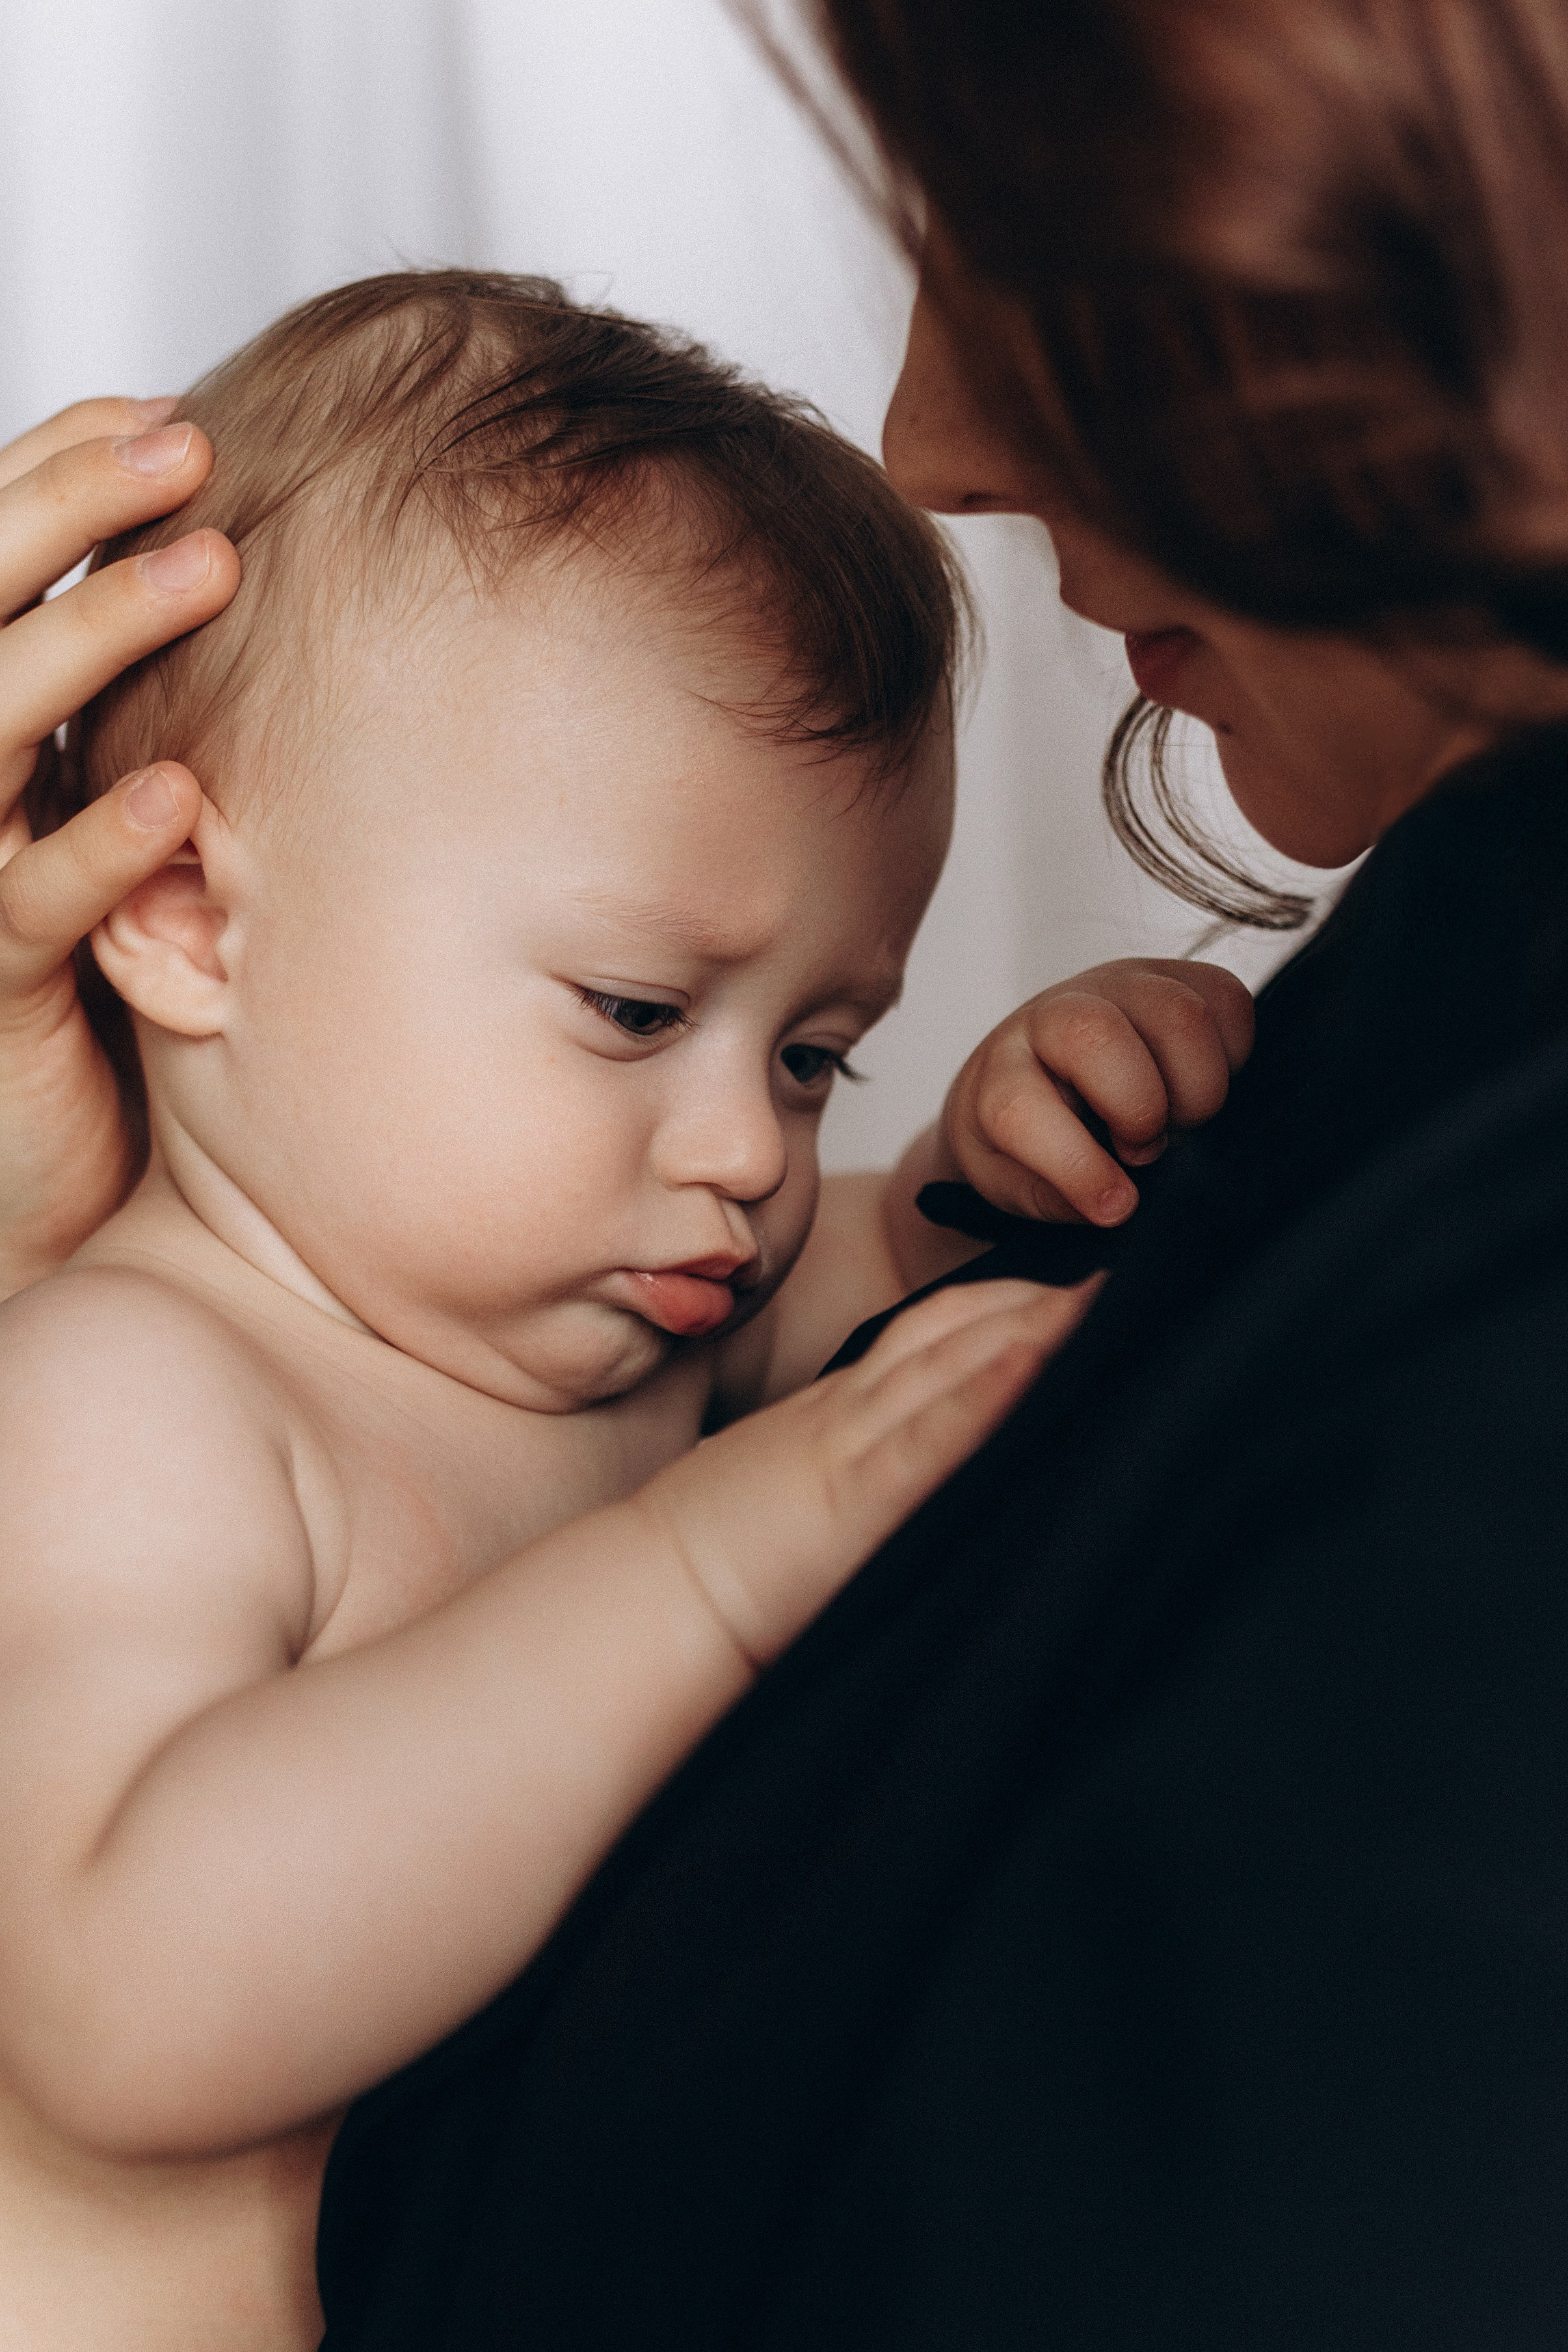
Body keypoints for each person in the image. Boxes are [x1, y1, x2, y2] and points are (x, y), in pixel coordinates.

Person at [3, 2, 1566, 2342]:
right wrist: (733, 1559)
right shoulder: (125, 1402)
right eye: (637, 1015)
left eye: (824, 1050)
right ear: (184, 914)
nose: (747, 1155)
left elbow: (863, 1337)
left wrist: (973, 1180)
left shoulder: (600, 1307)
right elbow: (127, 1999)